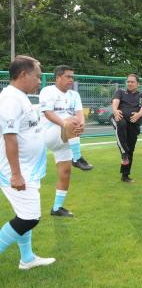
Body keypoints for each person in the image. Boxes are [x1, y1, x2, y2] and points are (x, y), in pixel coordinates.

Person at [0, 55, 55, 270]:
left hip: (29, 169)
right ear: (23, 74)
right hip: (15, 171)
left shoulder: (21, 97)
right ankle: (27, 258)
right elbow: (9, 137)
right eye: (37, 77)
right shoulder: (10, 99)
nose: (40, 81)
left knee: (24, 214)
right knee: (29, 218)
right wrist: (16, 174)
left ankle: (27, 259)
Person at [39, 65, 86, 217]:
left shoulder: (74, 95)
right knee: (72, 120)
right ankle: (77, 158)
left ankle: (57, 208)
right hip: (50, 133)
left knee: (65, 173)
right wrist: (66, 123)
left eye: (72, 77)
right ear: (58, 77)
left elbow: (80, 114)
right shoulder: (48, 91)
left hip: (67, 137)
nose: (71, 80)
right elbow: (48, 113)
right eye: (68, 76)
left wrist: (81, 125)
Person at [111, 74, 142, 183]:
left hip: (134, 124)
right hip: (120, 119)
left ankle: (125, 176)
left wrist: (139, 114)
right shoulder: (120, 92)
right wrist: (115, 110)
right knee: (121, 124)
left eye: (132, 82)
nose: (129, 83)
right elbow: (115, 102)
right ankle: (124, 152)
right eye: (128, 81)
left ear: (138, 84)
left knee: (130, 150)